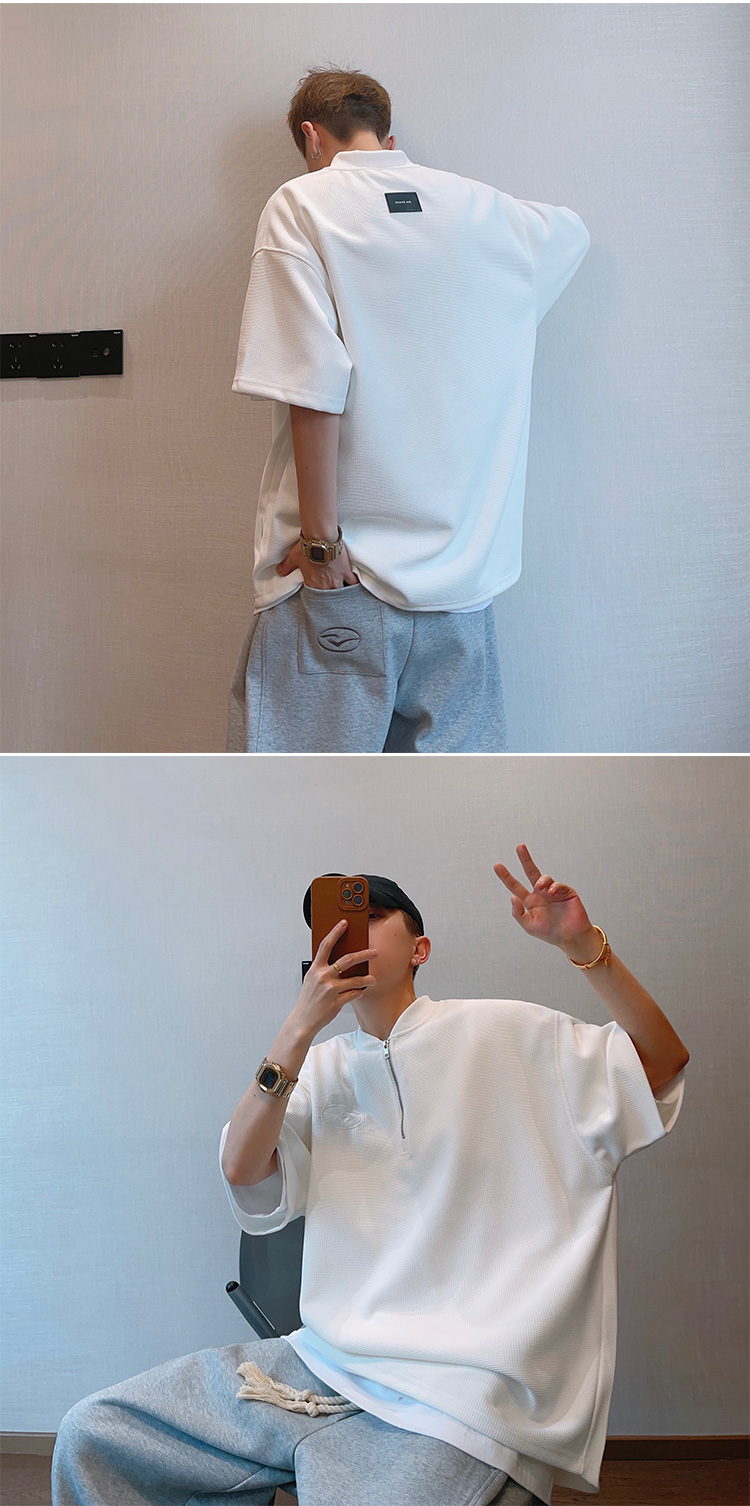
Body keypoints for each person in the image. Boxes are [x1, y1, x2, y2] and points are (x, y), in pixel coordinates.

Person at [52, 850, 688, 1506]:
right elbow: (242, 1168)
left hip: (460, 1392)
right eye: (328, 925)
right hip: (320, 1365)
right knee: (95, 1434)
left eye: (372, 915)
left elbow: (661, 1063)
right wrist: (299, 1027)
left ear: (420, 949)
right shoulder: (314, 1068)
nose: (345, 933)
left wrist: (582, 945)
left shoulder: (510, 1031)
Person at [226, 68, 591, 753]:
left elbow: (310, 388)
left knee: (296, 803)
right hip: (462, 594)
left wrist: (321, 548)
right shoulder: (489, 214)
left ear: (310, 136)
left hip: (342, 580)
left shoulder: (303, 205)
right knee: (452, 806)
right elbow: (570, 233)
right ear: (388, 139)